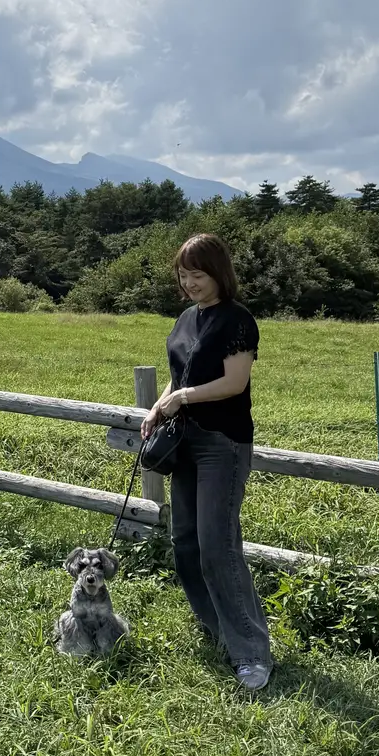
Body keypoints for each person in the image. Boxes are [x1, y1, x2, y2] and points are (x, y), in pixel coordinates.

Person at [140, 233, 272, 692]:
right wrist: (158, 408)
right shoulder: (185, 319)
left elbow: (234, 383)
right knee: (186, 542)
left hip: (222, 444)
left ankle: (251, 654)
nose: (190, 283)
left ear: (218, 273)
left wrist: (181, 397)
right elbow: (179, 376)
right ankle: (216, 630)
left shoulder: (238, 320)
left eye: (198, 274)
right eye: (183, 275)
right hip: (184, 442)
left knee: (218, 546)